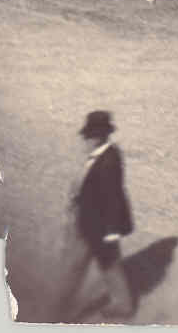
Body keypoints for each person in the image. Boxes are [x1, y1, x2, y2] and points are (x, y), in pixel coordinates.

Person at [57, 109, 134, 322]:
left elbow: (112, 198)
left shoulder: (108, 162)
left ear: (98, 137)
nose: (85, 140)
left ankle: (57, 314)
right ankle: (123, 304)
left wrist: (110, 232)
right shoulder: (105, 155)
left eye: (88, 137)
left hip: (95, 226)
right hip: (98, 223)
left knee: (74, 269)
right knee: (109, 263)